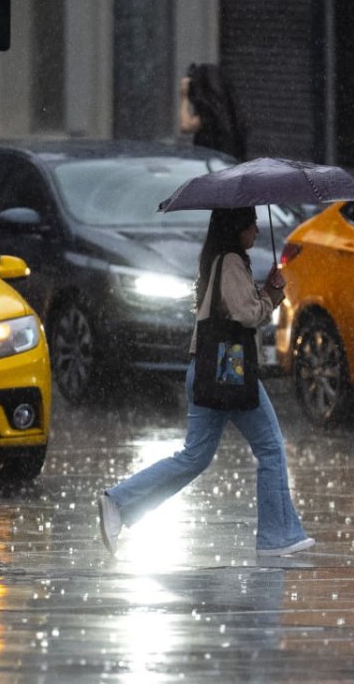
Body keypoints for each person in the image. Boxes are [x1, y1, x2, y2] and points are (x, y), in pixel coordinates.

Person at [97, 206, 314, 558]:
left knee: (195, 456)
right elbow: (246, 314)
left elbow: (236, 307)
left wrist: (266, 293)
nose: (257, 230)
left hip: (206, 367)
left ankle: (118, 503)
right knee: (271, 447)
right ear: (237, 227)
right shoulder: (231, 261)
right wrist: (271, 295)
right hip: (228, 367)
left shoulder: (219, 259)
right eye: (252, 224)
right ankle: (276, 537)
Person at [180, 63, 248, 160]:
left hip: (212, 162)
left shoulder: (210, 111)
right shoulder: (228, 107)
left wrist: (184, 97)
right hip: (229, 160)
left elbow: (186, 126)